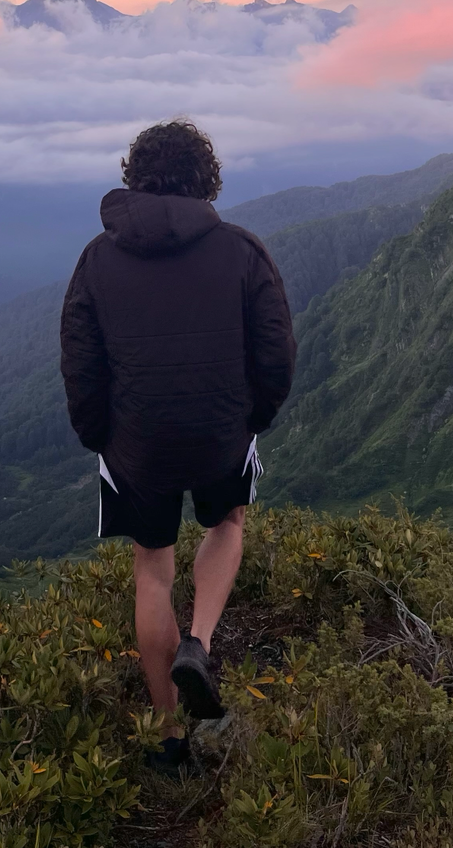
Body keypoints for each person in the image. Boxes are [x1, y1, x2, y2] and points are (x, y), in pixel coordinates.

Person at [60, 118, 296, 771]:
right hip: (221, 434)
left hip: (137, 446)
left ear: (135, 177)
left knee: (152, 569)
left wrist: (98, 437)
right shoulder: (242, 251)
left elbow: (82, 363)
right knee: (227, 523)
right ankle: (199, 641)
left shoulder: (96, 261)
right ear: (206, 181)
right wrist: (254, 418)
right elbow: (275, 354)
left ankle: (168, 737)